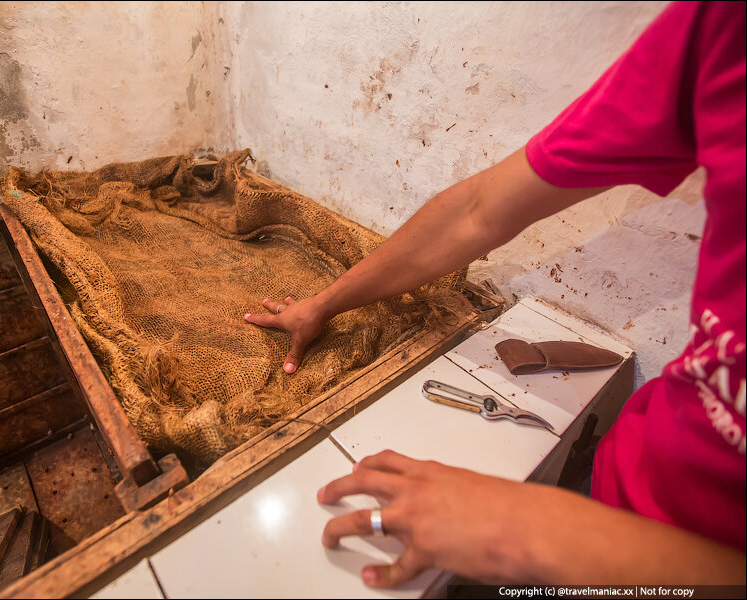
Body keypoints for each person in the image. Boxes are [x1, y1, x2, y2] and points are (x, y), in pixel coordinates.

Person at [244, 1, 745, 585]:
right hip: (623, 485)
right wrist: (322, 303)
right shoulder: (718, 28)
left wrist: (521, 528)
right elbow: (478, 212)